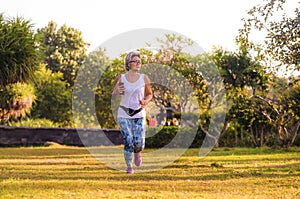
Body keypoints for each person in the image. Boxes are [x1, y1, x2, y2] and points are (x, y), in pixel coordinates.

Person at [111, 51, 153, 174]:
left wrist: (145, 101)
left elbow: (149, 94)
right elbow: (113, 94)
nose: (138, 63)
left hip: (139, 114)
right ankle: (129, 166)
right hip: (124, 113)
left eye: (139, 61)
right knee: (128, 139)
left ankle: (138, 152)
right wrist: (117, 90)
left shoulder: (144, 78)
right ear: (128, 64)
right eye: (135, 61)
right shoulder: (121, 78)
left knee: (139, 142)